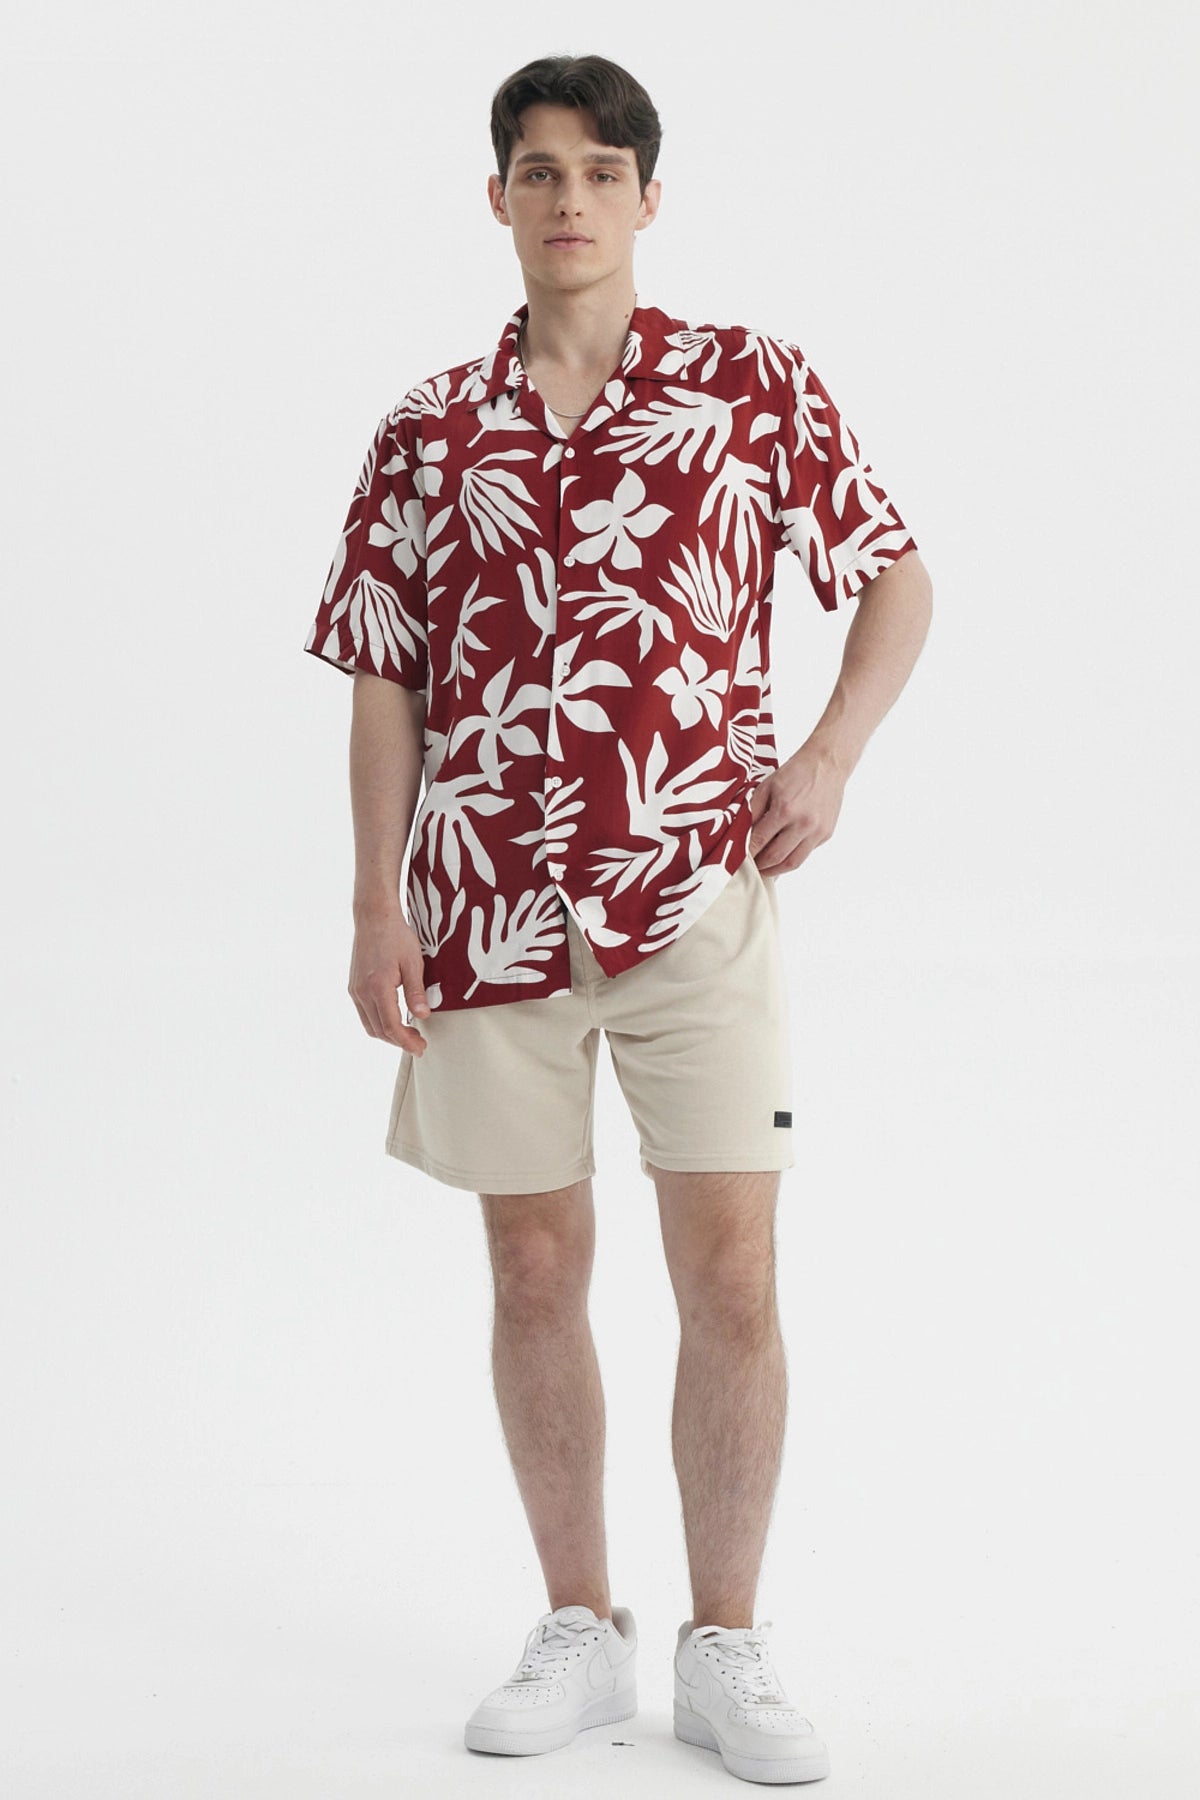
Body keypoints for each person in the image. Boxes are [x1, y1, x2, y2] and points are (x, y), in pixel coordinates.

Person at [303, 50, 932, 1786]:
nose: (569, 198)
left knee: (731, 1270)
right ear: (496, 198)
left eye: (600, 171)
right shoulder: (429, 429)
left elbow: (893, 573)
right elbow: (384, 674)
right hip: (484, 911)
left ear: (650, 198)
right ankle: (578, 1625)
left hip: (695, 900)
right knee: (530, 1269)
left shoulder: (746, 386)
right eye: (539, 170)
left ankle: (727, 1642)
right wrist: (372, 903)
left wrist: (829, 757)